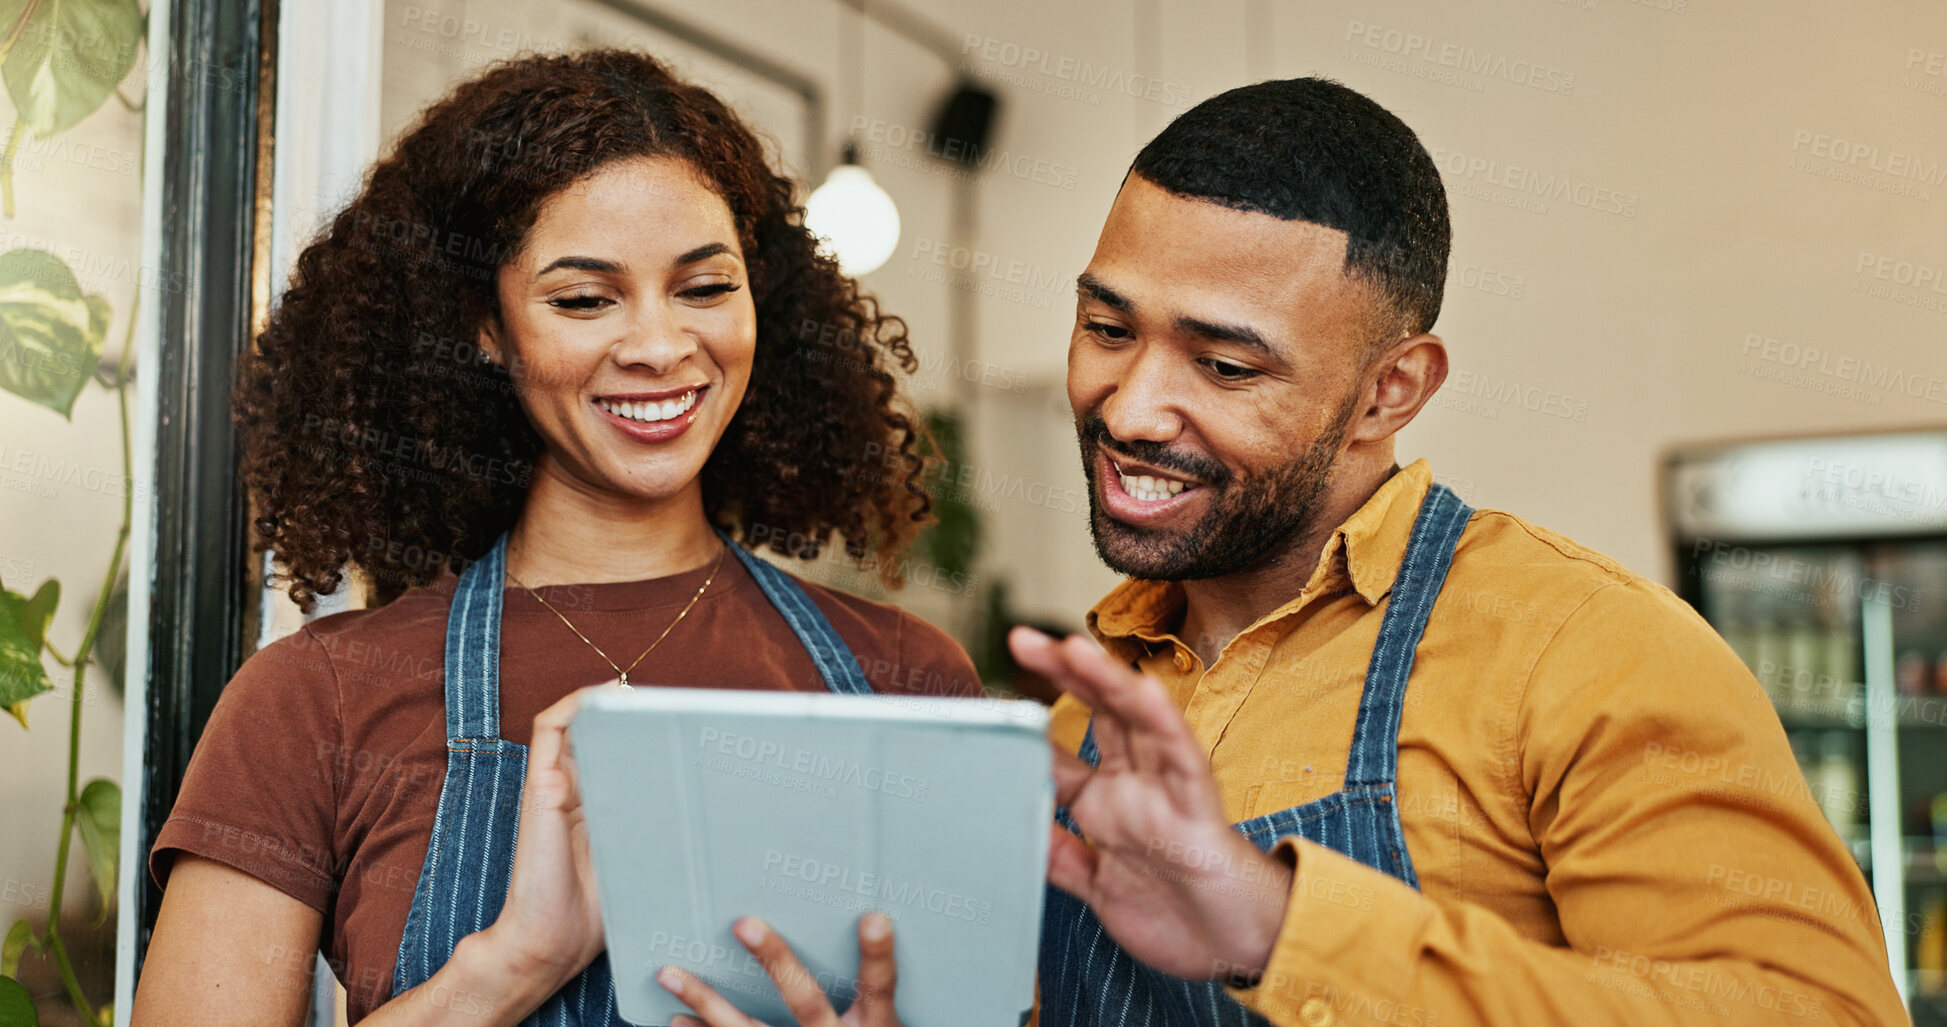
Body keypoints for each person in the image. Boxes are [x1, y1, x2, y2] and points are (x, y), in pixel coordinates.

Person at [998, 78, 1909, 1026]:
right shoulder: (1084, 714)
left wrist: (1283, 930)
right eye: (1106, 329)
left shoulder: (1586, 653)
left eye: (1225, 367)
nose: (1130, 408)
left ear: (1389, 392)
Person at [133, 50, 972, 1024]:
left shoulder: (904, 682)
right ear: (486, 328)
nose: (660, 346)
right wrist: (512, 966)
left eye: (705, 288)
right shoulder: (313, 702)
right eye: (584, 299)